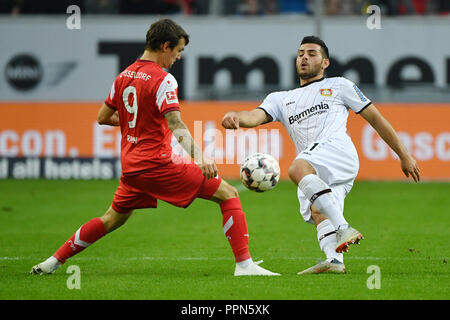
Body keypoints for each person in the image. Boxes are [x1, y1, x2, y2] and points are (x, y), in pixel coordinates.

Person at [30, 18, 279, 277]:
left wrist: (136, 125)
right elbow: (175, 122)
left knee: (112, 219)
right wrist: (200, 157)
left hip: (132, 166)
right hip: (156, 163)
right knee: (229, 194)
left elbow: (103, 117)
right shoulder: (163, 79)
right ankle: (244, 265)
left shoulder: (124, 75)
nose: (179, 57)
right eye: (179, 51)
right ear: (166, 46)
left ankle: (53, 261)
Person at [222, 36, 420, 274]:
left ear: (325, 62)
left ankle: (344, 227)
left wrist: (404, 155)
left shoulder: (339, 85)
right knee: (318, 210)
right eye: (301, 53)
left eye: (312, 53)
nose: (304, 57)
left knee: (296, 169)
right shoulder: (281, 99)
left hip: (337, 151)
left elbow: (375, 118)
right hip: (317, 164)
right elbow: (253, 116)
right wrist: (236, 115)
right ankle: (335, 261)